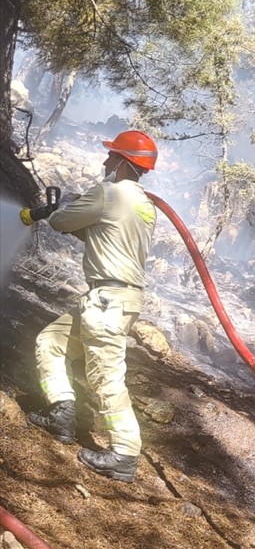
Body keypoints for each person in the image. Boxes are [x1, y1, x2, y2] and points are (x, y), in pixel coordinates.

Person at [25, 130, 158, 483]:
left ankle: (124, 454)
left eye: (111, 155)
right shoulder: (144, 205)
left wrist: (65, 208)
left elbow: (60, 222)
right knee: (51, 341)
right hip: (114, 300)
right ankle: (62, 414)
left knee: (106, 377)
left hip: (107, 302)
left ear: (123, 161)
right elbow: (101, 235)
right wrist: (80, 216)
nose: (105, 161)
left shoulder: (109, 193)